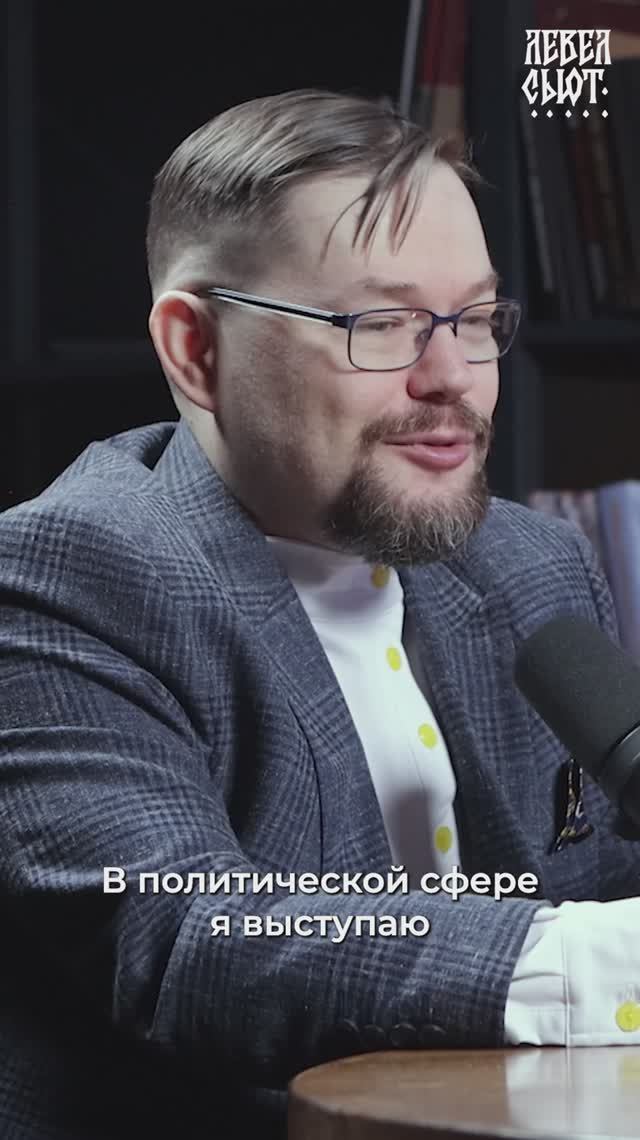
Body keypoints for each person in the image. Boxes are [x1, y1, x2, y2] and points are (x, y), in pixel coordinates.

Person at [0, 87, 639, 1140]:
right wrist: (599, 963)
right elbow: (189, 936)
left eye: (475, 321)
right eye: (381, 324)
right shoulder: (62, 577)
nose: (453, 378)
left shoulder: (531, 566)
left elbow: (607, 874)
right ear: (196, 350)